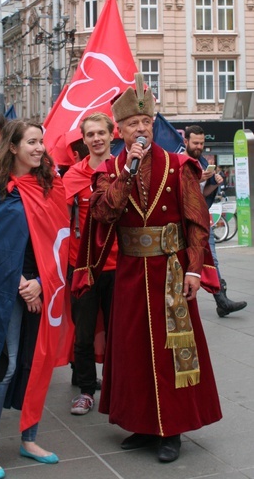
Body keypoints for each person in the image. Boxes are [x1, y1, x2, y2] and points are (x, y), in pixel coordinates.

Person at [72, 73, 222, 463]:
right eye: (133, 124)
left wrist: (194, 270)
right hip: (128, 273)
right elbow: (105, 213)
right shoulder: (110, 172)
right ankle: (141, 423)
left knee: (173, 349)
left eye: (146, 122)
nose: (141, 129)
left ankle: (171, 428)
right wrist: (127, 170)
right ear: (119, 129)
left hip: (171, 271)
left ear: (153, 124)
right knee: (133, 349)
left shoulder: (179, 165)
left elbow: (196, 222)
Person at [0, 120, 70, 479]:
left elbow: (58, 239)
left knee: (38, 362)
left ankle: (29, 439)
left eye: (41, 142)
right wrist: (24, 284)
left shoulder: (48, 185)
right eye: (32, 142)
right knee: (4, 365)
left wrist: (40, 283)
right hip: (6, 289)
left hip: (43, 287)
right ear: (14, 147)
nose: (39, 148)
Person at [63, 112, 117, 415]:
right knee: (82, 333)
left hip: (119, 264)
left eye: (101, 133)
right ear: (84, 140)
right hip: (81, 265)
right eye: (90, 134)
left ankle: (114, 387)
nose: (96, 139)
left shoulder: (124, 171)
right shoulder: (72, 176)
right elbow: (56, 220)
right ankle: (85, 389)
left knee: (117, 331)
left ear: (112, 135)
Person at [183, 125, 247, 318]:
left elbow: (202, 195)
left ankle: (221, 299)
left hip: (201, 217)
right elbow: (180, 192)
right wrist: (196, 178)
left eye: (202, 143)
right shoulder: (179, 161)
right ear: (185, 141)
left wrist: (214, 183)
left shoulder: (203, 161)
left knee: (213, 259)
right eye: (195, 143)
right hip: (184, 221)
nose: (199, 146)